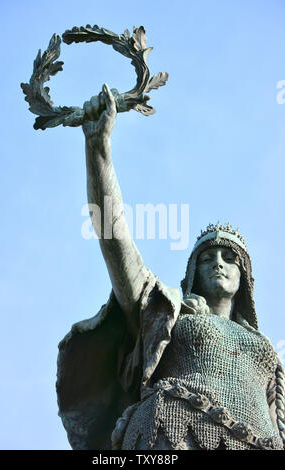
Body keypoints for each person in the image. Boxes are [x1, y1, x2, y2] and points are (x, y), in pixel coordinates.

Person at [56, 84, 285, 450]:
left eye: (229, 258)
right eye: (207, 258)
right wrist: (98, 151)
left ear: (245, 278)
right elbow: (118, 244)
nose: (218, 264)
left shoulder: (264, 348)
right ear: (193, 270)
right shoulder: (171, 311)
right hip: (174, 432)